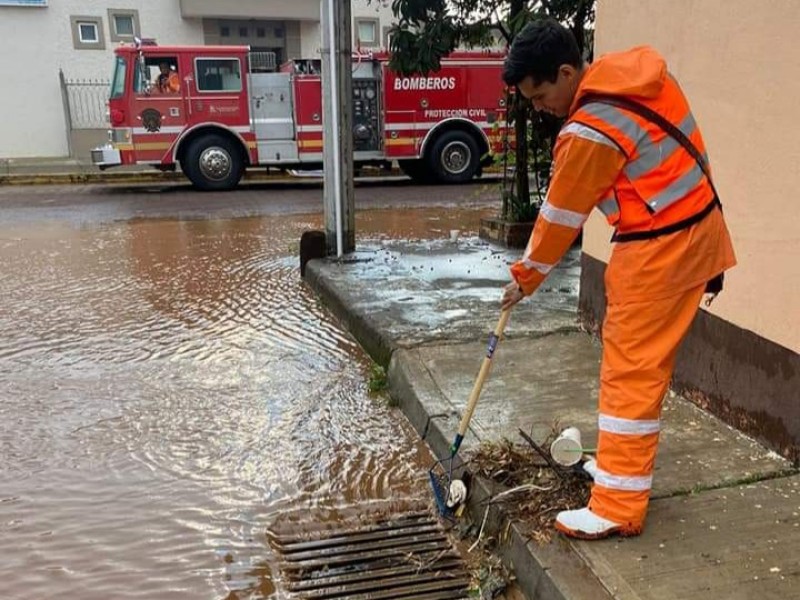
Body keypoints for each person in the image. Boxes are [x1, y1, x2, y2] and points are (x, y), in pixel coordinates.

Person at [500, 19, 736, 540]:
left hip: (659, 251)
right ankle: (617, 477)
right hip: (694, 231)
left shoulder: (591, 127)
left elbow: (562, 214)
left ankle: (616, 506)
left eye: (540, 95)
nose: (539, 108)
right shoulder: (635, 80)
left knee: (630, 374)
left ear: (566, 72)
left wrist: (526, 277)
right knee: (634, 369)